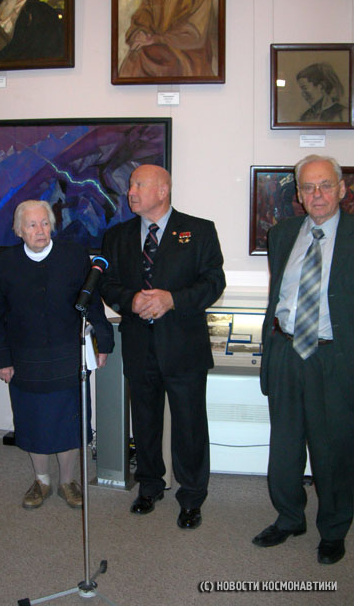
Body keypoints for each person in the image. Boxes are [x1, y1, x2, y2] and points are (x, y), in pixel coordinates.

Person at [100, 164, 225, 529]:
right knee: (145, 422)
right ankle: (150, 485)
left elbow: (213, 282)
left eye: (139, 185)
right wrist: (131, 300)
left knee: (189, 425)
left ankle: (192, 496)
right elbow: (107, 284)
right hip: (139, 344)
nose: (130, 191)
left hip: (184, 346)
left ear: (163, 190)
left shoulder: (199, 230)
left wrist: (173, 300)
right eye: (130, 185)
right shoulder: (117, 235)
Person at [253, 154, 354, 564]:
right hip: (286, 351)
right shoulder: (282, 234)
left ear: (342, 189)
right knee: (285, 445)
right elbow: (278, 294)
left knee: (334, 450)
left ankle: (333, 529)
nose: (318, 194)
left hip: (334, 357)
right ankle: (290, 517)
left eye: (326, 185)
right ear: (298, 193)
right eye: (308, 187)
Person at [0, 200, 114, 509]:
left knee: (69, 424)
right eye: (32, 225)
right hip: (25, 359)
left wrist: (104, 343)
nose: (40, 230)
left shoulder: (75, 256)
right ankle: (41, 480)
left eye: (44, 223)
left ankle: (68, 481)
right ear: (19, 230)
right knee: (33, 423)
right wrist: (1, 360)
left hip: (67, 356)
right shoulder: (3, 264)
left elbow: (93, 303)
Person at [119, 0, 218, 78]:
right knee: (136, 54)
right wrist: (140, 33)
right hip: (158, 50)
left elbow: (194, 36)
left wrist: (156, 39)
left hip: (187, 59)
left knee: (142, 57)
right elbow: (142, 16)